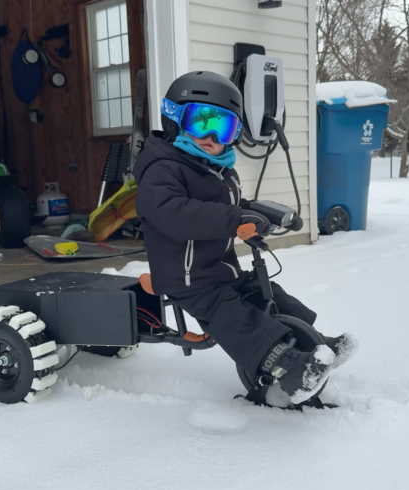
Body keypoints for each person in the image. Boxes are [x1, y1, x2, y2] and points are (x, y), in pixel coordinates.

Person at [132, 71, 355, 404]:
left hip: (219, 270)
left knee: (265, 293)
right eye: (200, 122)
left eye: (223, 128)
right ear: (174, 120)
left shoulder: (216, 170)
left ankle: (316, 342)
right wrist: (236, 219)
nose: (210, 136)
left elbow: (233, 206)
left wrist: (265, 213)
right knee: (234, 316)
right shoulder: (162, 170)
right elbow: (175, 213)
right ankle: (288, 366)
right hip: (187, 279)